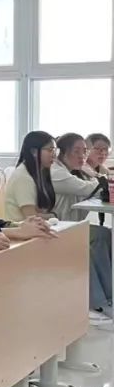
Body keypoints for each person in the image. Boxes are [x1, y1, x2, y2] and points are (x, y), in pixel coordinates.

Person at [52, 132, 113, 321]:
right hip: (58, 228)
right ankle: (99, 303)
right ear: (61, 152)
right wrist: (95, 174)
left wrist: (96, 174)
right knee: (100, 237)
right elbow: (92, 188)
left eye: (84, 151)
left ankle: (107, 297)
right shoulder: (57, 173)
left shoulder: (72, 171)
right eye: (77, 151)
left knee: (104, 235)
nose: (82, 156)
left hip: (70, 226)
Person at [5, 131, 58, 221]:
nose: (54, 155)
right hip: (21, 227)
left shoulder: (39, 173)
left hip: (34, 226)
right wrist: (52, 216)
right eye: (50, 150)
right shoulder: (23, 177)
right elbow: (31, 217)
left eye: (55, 150)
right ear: (34, 152)